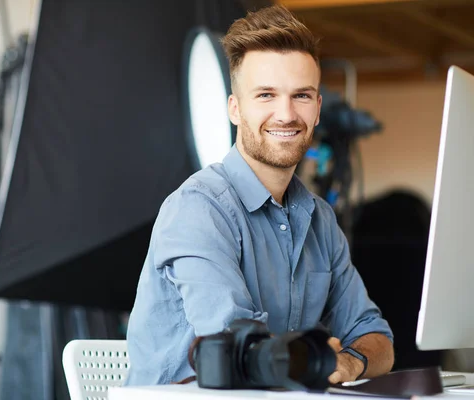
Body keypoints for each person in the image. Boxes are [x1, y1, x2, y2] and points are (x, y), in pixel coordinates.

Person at [125, 4, 394, 386]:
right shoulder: (199, 210)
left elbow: (376, 336)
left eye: (301, 96)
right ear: (235, 109)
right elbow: (243, 354)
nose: (285, 114)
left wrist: (350, 363)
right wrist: (315, 359)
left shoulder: (320, 219)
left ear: (317, 109)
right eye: (266, 95)